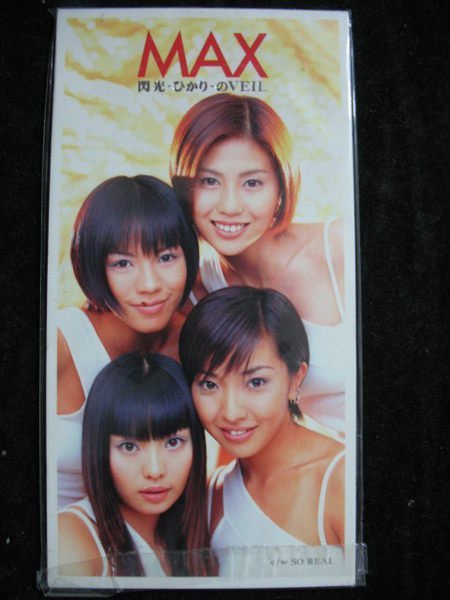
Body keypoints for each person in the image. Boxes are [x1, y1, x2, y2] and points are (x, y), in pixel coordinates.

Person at [170, 93, 346, 435]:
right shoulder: (194, 296)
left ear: (281, 186)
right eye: (209, 181)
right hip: (315, 461)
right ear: (184, 188)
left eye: (252, 183)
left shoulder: (338, 248)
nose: (230, 206)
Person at [179, 287, 345, 575]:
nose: (231, 412)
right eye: (209, 384)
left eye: (255, 382)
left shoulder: (340, 479)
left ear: (295, 379)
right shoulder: (211, 496)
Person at [57, 175, 198, 508]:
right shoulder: (61, 343)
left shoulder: (194, 342)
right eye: (123, 263)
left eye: (166, 257)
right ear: (95, 266)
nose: (149, 284)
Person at [58, 352, 213, 577]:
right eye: (129, 447)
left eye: (173, 442)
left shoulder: (188, 535)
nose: (154, 470)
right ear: (100, 449)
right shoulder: (73, 538)